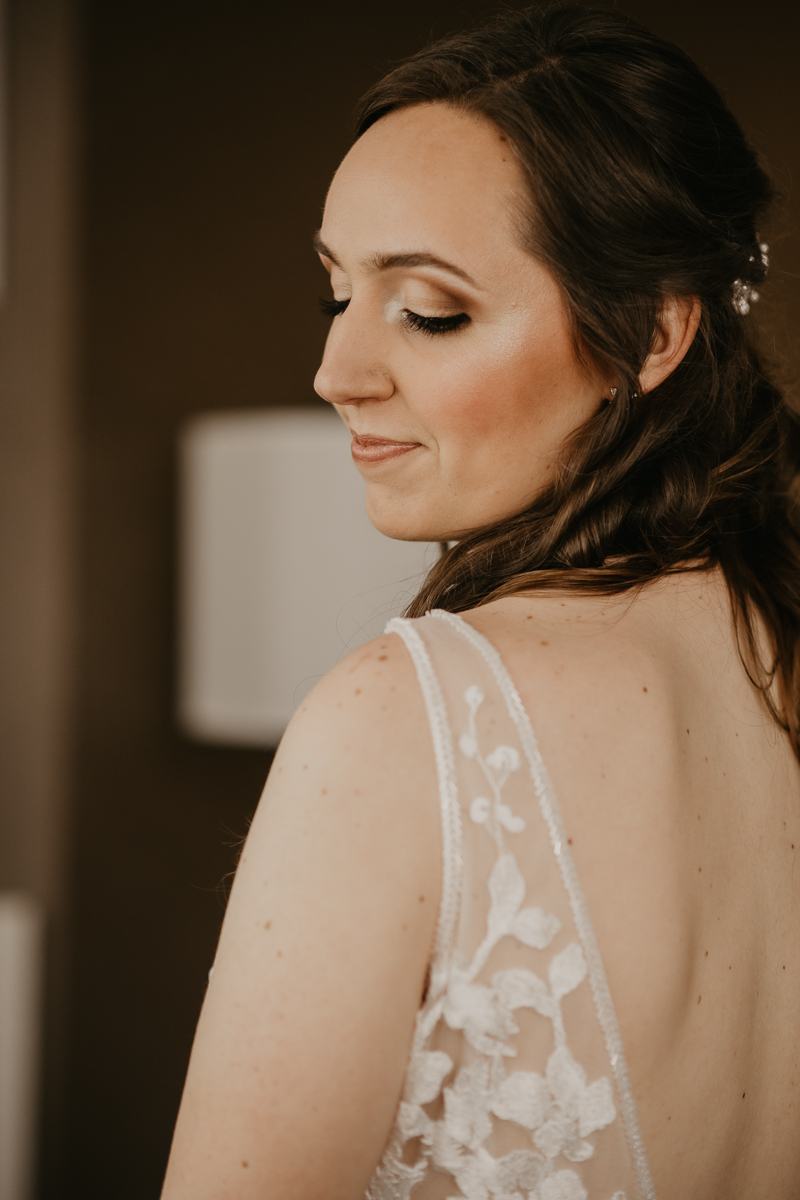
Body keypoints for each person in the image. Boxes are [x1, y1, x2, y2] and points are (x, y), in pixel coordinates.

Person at [160, 6, 800, 1198]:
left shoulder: (407, 720)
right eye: (335, 293)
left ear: (651, 334)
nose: (334, 372)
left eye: (429, 310)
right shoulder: (771, 647)